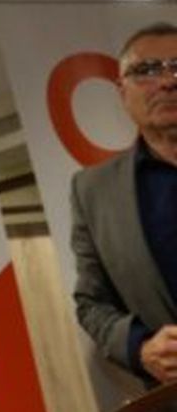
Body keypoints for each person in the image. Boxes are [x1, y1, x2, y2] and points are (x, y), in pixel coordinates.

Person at [71, 21, 177, 383]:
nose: (167, 81)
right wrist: (141, 347)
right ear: (122, 91)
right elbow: (91, 303)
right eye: (146, 70)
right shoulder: (93, 191)